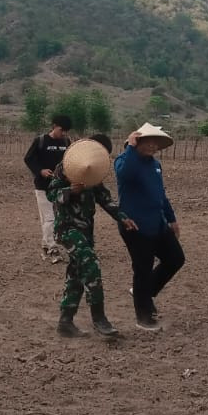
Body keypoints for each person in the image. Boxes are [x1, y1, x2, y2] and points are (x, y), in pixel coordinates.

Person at [47, 133, 137, 338]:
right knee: (90, 264)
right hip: (66, 229)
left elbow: (105, 199)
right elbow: (51, 194)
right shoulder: (66, 167)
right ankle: (99, 318)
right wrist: (70, 190)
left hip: (85, 231)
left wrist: (123, 218)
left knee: (76, 274)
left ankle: (65, 322)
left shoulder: (94, 173)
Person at [115, 122, 185, 332]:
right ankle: (143, 318)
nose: (154, 146)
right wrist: (130, 148)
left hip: (157, 222)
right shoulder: (124, 160)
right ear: (138, 142)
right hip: (135, 225)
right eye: (150, 142)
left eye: (157, 143)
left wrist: (172, 219)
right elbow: (125, 174)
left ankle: (143, 292)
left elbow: (160, 194)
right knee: (142, 269)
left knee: (175, 259)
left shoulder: (155, 165)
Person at [23, 114, 73, 263]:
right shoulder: (41, 141)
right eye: (61, 130)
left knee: (54, 218)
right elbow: (28, 158)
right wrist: (40, 171)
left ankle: (46, 246)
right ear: (54, 126)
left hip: (60, 187)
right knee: (50, 218)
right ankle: (53, 249)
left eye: (66, 131)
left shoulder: (67, 142)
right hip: (43, 186)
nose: (63, 133)